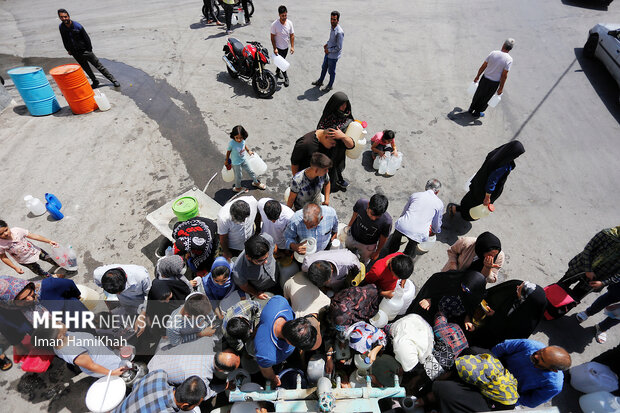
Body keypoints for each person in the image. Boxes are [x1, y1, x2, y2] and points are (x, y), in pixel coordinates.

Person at [448, 141, 525, 221]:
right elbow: (492, 181)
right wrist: (487, 197)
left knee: (471, 197)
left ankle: (457, 208)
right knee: (475, 205)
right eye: (517, 154)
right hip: (483, 191)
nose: (517, 156)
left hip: (479, 181)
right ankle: (460, 211)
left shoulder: (498, 153)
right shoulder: (503, 166)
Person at [254, 295, 317, 386]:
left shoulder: (280, 302)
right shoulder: (267, 355)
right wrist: (273, 378)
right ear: (289, 343)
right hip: (276, 362)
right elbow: (266, 371)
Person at [467, 280, 546, 349]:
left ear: (525, 299)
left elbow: (506, 334)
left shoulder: (524, 323)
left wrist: (495, 318)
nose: (517, 287)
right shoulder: (517, 295)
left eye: (520, 289)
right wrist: (495, 314)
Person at [492, 339, 570, 408]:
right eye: (541, 351)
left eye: (542, 359)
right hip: (493, 366)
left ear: (552, 369)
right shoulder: (530, 345)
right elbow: (500, 348)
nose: (536, 356)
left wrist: (505, 397)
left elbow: (530, 401)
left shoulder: (554, 386)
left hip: (506, 391)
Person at [32, 323, 125, 377]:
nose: (60, 321)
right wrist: (112, 373)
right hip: (108, 365)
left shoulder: (64, 336)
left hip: (104, 353)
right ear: (59, 336)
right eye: (58, 323)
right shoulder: (72, 351)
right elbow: (91, 366)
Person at [57, 9, 120, 88]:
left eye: (65, 17)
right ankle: (95, 81)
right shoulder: (61, 27)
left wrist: (89, 50)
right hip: (75, 52)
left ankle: (113, 80)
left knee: (99, 66)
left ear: (68, 16)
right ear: (59, 18)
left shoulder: (77, 26)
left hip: (85, 50)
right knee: (86, 68)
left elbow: (86, 38)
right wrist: (68, 50)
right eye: (61, 17)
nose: (64, 19)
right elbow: (64, 39)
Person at [383, 179, 444, 258]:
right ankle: (403, 259)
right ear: (437, 192)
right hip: (418, 233)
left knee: (394, 243)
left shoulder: (415, 195)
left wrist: (401, 222)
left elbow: (405, 211)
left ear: (426, 187)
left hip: (403, 225)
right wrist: (435, 231)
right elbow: (436, 223)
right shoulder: (439, 204)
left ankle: (389, 255)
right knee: (409, 251)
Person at [559, 226, 620, 304]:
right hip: (580, 267)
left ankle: (553, 313)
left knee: (572, 300)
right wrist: (588, 269)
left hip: (597, 279)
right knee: (559, 287)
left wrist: (603, 283)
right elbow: (588, 249)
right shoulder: (607, 234)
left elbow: (618, 275)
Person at [408, 270, 487, 329]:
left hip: (449, 319)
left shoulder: (476, 296)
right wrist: (429, 298)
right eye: (463, 286)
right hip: (434, 307)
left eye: (467, 290)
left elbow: (470, 308)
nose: (463, 290)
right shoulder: (451, 279)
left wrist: (468, 318)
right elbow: (433, 285)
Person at [148, 350, 240, 399]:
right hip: (154, 375)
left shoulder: (206, 343)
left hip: (160, 355)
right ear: (221, 370)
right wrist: (226, 386)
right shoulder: (200, 378)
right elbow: (204, 395)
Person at [114, 371, 207, 413]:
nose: (195, 407)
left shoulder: (159, 375)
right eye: (194, 405)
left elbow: (135, 386)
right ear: (185, 405)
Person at [316, 92, 355, 189]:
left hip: (339, 152)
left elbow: (351, 145)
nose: (344, 107)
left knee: (336, 168)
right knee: (324, 169)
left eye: (346, 103)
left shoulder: (347, 118)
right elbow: (319, 132)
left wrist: (342, 136)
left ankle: (338, 181)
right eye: (341, 104)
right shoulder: (328, 116)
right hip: (326, 150)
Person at [468, 38, 515, 118]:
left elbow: (484, 65)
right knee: (486, 98)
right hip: (494, 83)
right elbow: (504, 75)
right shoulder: (509, 59)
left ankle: (471, 108)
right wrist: (501, 88)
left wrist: (477, 76)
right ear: (510, 49)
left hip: (484, 78)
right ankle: (477, 112)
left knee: (478, 94)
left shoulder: (493, 53)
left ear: (503, 45)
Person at [345, 194, 392, 262]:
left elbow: (383, 238)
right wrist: (348, 228)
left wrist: (377, 252)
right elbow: (354, 215)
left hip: (368, 245)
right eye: (372, 214)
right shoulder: (360, 204)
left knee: (363, 261)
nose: (373, 218)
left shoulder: (387, 222)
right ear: (368, 204)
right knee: (347, 253)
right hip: (352, 235)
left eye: (377, 217)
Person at [232, 234, 280, 299]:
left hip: (277, 276)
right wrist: (256, 294)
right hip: (263, 289)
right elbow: (244, 286)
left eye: (267, 257)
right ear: (248, 257)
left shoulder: (268, 239)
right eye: (260, 261)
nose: (266, 262)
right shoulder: (239, 271)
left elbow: (274, 248)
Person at [225, 125, 266, 192]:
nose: (239, 139)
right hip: (236, 163)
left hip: (244, 159)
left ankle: (256, 182)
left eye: (240, 138)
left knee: (251, 171)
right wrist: (226, 160)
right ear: (233, 136)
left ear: (243, 136)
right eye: (236, 137)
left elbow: (244, 145)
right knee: (239, 176)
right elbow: (228, 152)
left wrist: (248, 151)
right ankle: (238, 188)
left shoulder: (243, 140)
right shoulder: (231, 144)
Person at [311, 11, 344, 92]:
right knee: (324, 67)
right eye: (331, 19)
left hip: (333, 56)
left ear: (338, 20)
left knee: (331, 72)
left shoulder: (339, 32)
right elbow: (332, 40)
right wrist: (327, 44)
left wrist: (328, 50)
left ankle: (330, 85)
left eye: (334, 19)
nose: (332, 21)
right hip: (328, 53)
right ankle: (320, 81)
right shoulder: (332, 28)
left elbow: (339, 47)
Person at [270, 5, 294, 87]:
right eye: (282, 15)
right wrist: (275, 48)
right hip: (278, 48)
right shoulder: (275, 24)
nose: (284, 17)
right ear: (279, 15)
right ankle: (286, 78)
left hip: (285, 48)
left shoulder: (289, 23)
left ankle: (277, 71)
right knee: (282, 63)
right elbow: (272, 37)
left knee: (281, 61)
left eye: (285, 15)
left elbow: (292, 35)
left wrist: (292, 47)